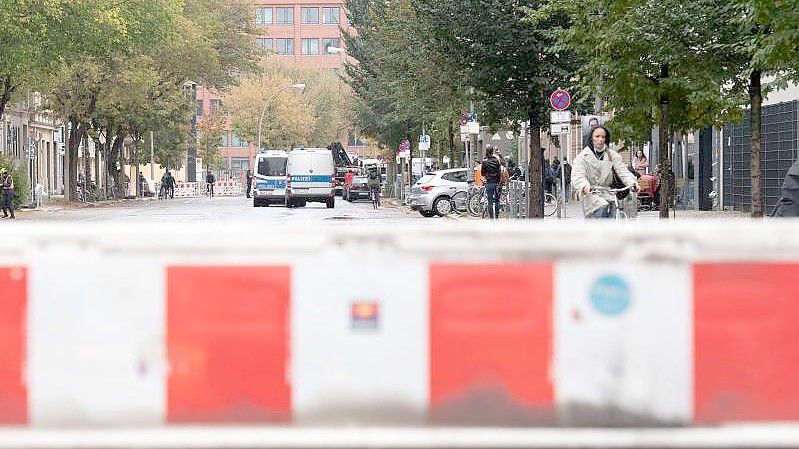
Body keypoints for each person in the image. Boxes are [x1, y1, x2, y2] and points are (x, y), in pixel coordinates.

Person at [572, 125, 639, 218]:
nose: (600, 139)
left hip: (609, 192)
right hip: (592, 193)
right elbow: (578, 175)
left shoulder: (611, 155)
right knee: (601, 206)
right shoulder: (582, 157)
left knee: (618, 210)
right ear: (591, 138)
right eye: (597, 136)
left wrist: (632, 182)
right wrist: (585, 185)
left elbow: (622, 170)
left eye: (603, 137)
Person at [481, 146, 502, 219]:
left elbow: (482, 173)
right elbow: (499, 172)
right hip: (496, 182)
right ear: (492, 152)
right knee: (497, 200)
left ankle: (491, 219)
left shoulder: (484, 161)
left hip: (489, 183)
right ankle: (496, 217)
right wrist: (499, 182)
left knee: (490, 201)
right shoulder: (496, 160)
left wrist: (487, 175)